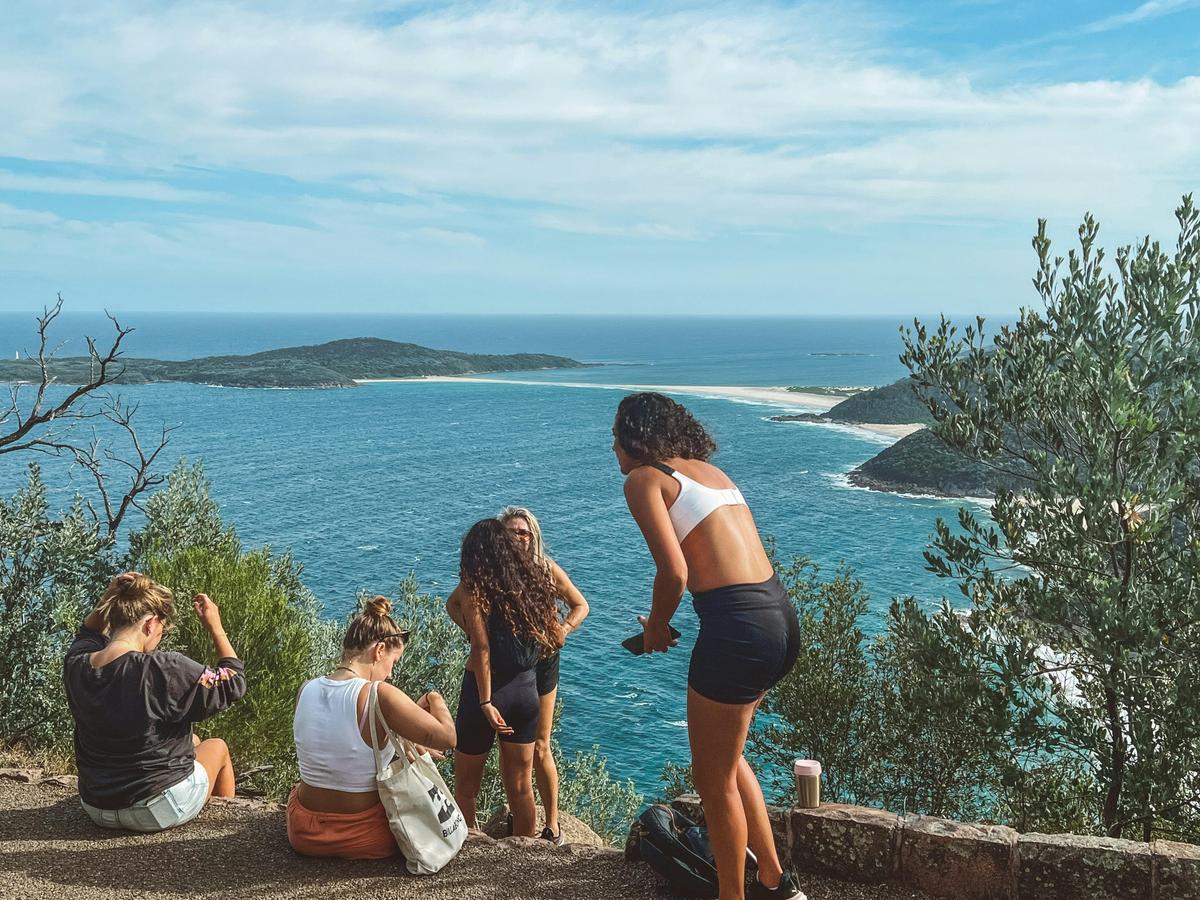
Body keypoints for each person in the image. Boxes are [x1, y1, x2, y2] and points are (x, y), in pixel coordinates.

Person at [613, 392, 805, 900]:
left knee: (711, 778)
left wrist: (657, 627)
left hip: (738, 627)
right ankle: (774, 881)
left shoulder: (644, 479)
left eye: (615, 436)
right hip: (779, 618)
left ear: (635, 437)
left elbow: (674, 571)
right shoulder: (710, 474)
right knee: (728, 759)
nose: (613, 448)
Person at [446, 506, 589, 843]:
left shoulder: (483, 583)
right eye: (510, 533)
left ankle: (536, 831)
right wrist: (471, 631)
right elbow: (460, 616)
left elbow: (482, 647)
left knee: (471, 784)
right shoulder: (520, 582)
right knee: (521, 784)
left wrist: (562, 630)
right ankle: (526, 852)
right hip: (523, 682)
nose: (517, 539)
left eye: (523, 533)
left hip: (506, 679)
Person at [63, 571, 245, 832]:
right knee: (217, 747)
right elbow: (232, 681)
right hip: (158, 808)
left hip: (96, 806)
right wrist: (216, 627)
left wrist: (109, 596)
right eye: (161, 627)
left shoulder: (77, 663)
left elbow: (87, 632)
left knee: (194, 742)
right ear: (150, 623)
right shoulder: (162, 668)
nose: (160, 634)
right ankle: (224, 828)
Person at [289, 595, 457, 859]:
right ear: (379, 651)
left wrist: (402, 737)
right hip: (363, 835)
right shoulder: (378, 694)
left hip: (302, 831)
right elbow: (448, 738)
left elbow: (344, 741)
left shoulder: (306, 689)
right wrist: (434, 698)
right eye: (394, 662)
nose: (390, 673)